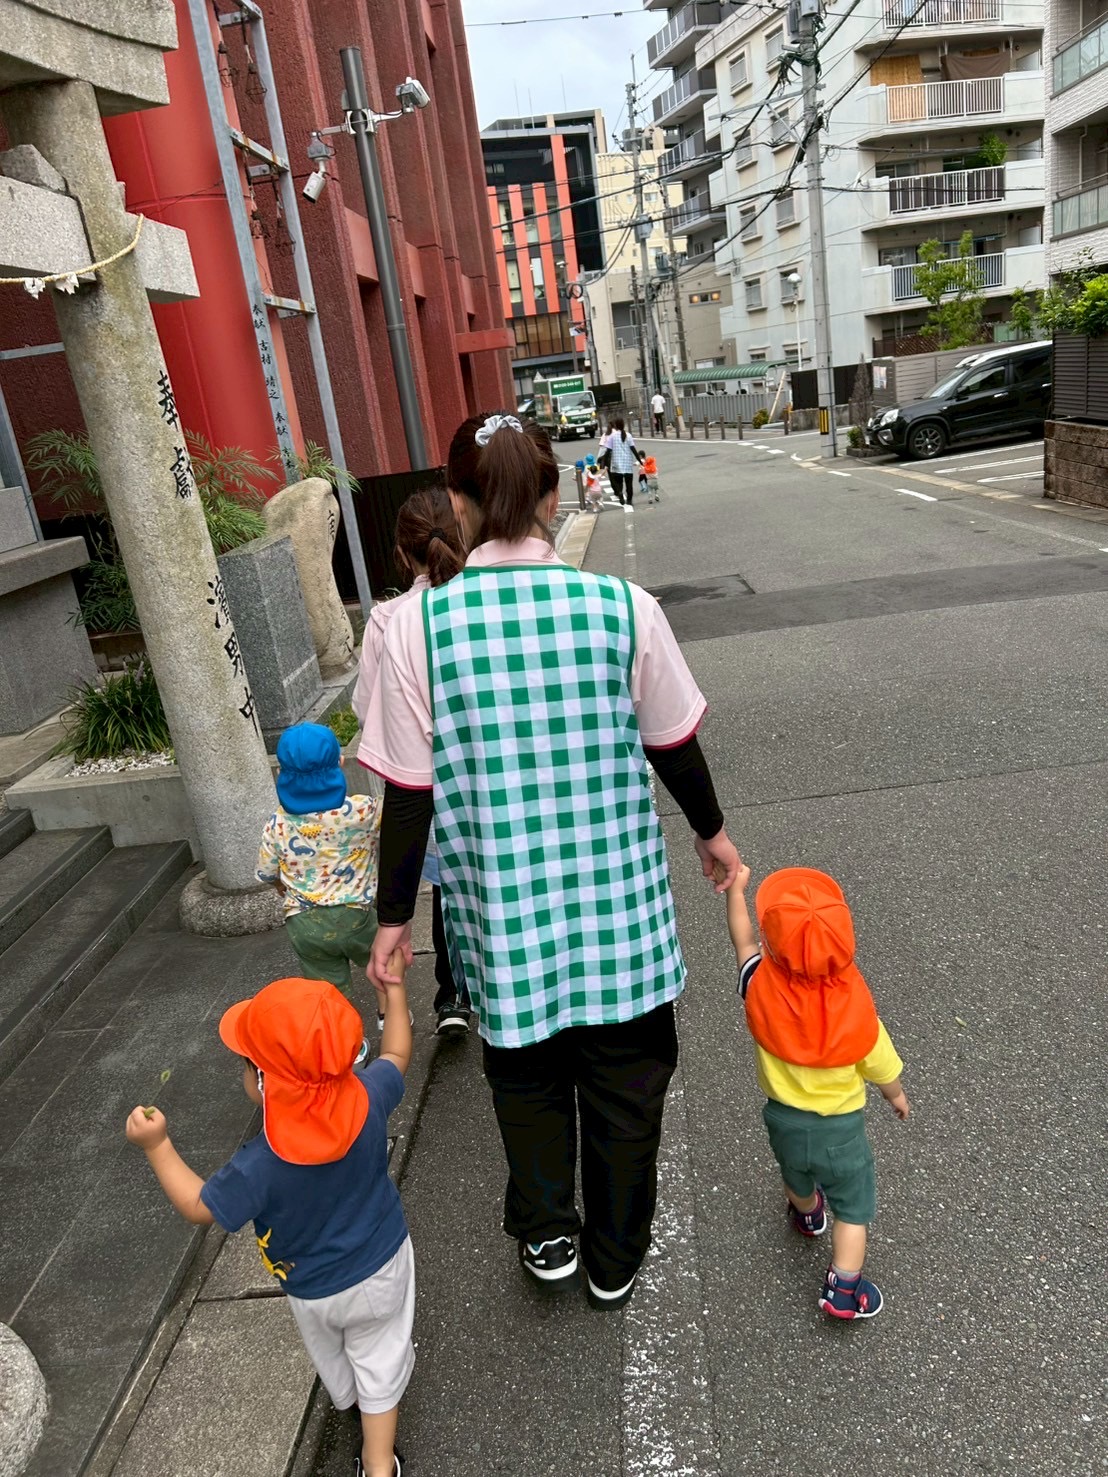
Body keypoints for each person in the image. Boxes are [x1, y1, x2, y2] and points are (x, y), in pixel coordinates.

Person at [360, 408, 740, 1312]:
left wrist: (394, 918)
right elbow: (673, 745)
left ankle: (547, 1233)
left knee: (525, 1078)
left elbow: (408, 794)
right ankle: (616, 1253)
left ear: (457, 502)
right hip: (620, 912)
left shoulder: (416, 629)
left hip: (505, 917)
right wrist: (712, 833)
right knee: (629, 1082)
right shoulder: (622, 607)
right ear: (553, 493)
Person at [125, 968, 415, 1477]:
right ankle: (378, 1456)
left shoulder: (259, 1164)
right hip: (383, 1262)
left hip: (310, 1286)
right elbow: (395, 1053)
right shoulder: (368, 1096)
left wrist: (158, 1146)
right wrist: (394, 992)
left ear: (265, 1081)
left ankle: (362, 1425)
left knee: (336, 1354)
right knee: (380, 1354)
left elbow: (199, 1206)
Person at [721, 863, 910, 1321]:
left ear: (774, 943)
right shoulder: (855, 1010)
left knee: (795, 1173)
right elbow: (880, 1064)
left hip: (783, 1119)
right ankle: (843, 1289)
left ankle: (807, 1214)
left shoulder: (759, 985)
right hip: (841, 1131)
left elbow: (742, 940)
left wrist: (736, 891)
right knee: (854, 1209)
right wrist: (896, 1096)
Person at [351, 488, 472, 1038]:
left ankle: (453, 996)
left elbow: (366, 707)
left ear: (403, 554)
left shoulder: (388, 620)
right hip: (489, 776)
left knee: (446, 888)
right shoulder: (484, 603)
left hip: (421, 786)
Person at [257, 723, 380, 998]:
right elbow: (398, 812)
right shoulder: (363, 811)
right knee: (383, 968)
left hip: (304, 923)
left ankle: (339, 1026)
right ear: (340, 762)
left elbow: (266, 872)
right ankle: (388, 1013)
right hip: (356, 915)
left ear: (280, 773)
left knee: (328, 993)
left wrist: (280, 886)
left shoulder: (277, 824)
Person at [600, 415, 643, 508]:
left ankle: (620, 493)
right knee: (629, 484)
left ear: (615, 425)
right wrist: (640, 461)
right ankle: (629, 500)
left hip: (616, 463)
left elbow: (608, 451)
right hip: (627, 463)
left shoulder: (611, 437)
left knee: (618, 482)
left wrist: (602, 462)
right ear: (623, 424)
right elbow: (633, 449)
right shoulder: (628, 435)